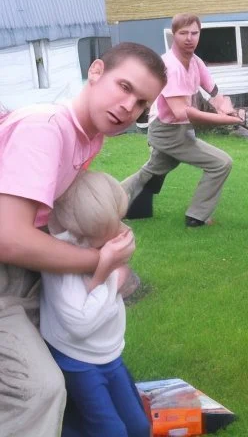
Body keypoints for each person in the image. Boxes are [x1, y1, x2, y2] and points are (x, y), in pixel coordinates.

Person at [0, 42, 166, 437]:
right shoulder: (46, 130)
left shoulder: (89, 136)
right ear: (95, 72)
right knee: (37, 389)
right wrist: (100, 262)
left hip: (23, 269)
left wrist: (104, 239)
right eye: (123, 87)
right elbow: (9, 238)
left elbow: (49, 215)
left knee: (68, 354)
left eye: (141, 102)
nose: (129, 106)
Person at [41, 170, 149, 437]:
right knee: (110, 430)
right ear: (80, 232)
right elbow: (80, 323)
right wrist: (110, 277)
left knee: (138, 426)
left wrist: (108, 274)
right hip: (77, 358)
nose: (122, 234)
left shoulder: (100, 244)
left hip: (109, 352)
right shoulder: (59, 261)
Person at [122, 13, 245, 228]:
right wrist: (224, 120)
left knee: (151, 172)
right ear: (174, 35)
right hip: (168, 131)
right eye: (183, 33)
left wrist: (227, 107)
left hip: (176, 129)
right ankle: (196, 217)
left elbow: (214, 91)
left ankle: (106, 201)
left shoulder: (195, 62)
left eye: (194, 33)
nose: (190, 38)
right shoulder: (170, 66)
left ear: (200, 34)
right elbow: (181, 112)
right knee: (221, 163)